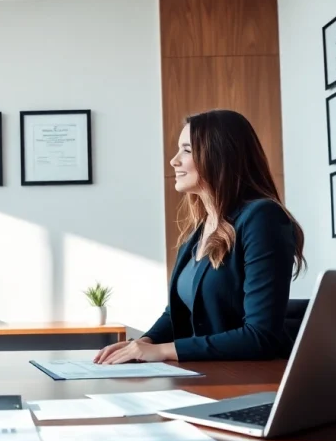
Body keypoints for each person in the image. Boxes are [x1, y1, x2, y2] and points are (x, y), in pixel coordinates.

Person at [94, 109, 306, 365]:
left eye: (186, 150)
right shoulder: (200, 231)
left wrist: (163, 351)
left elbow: (260, 336)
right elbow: (177, 314)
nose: (174, 161)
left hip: (246, 380)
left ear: (220, 156)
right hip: (204, 373)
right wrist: (143, 344)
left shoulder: (262, 217)